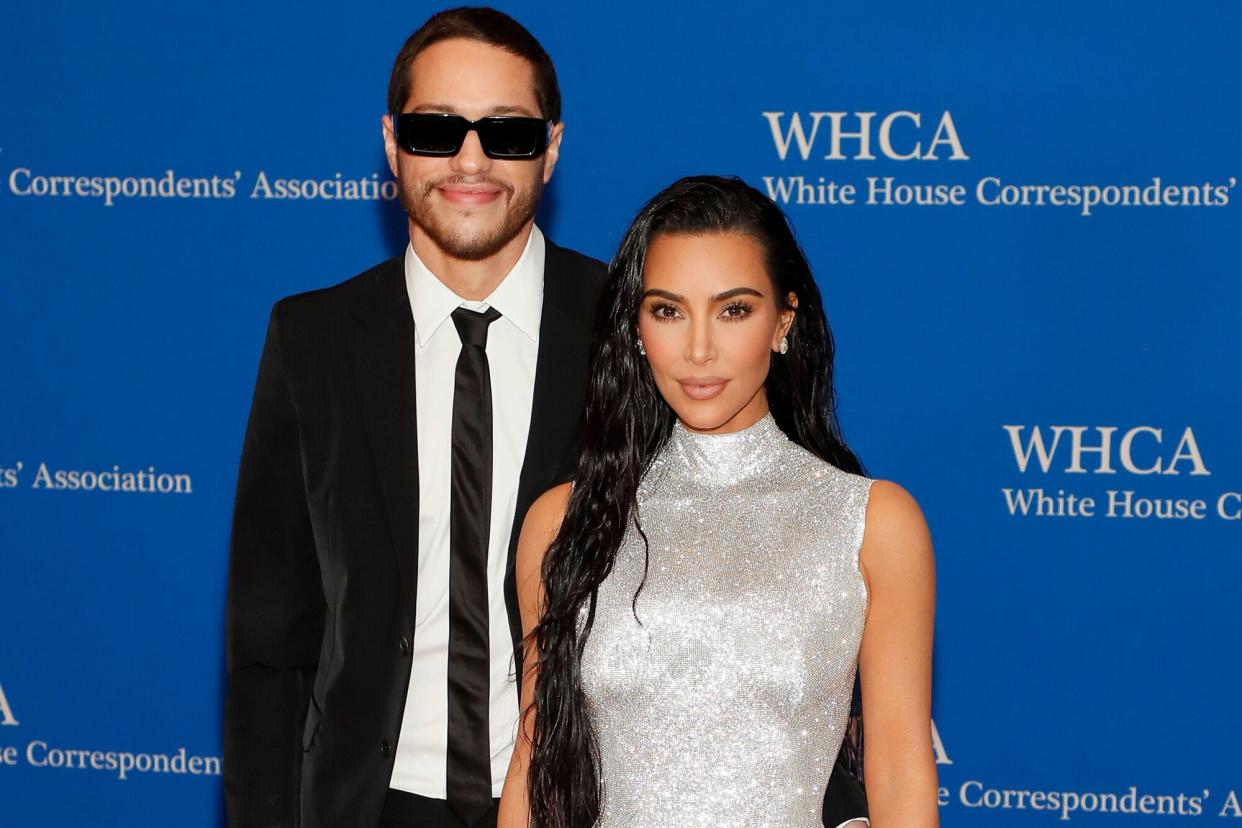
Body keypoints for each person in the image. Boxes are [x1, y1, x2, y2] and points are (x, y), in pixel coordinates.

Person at [223, 9, 604, 827]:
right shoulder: (313, 339)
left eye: (506, 133)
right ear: (393, 145)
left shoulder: (629, 329)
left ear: (553, 147)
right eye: (438, 129)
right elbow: (268, 637)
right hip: (369, 806)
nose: (470, 160)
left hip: (579, 804)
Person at [499, 176, 938, 827]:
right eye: (668, 311)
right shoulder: (564, 523)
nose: (698, 349)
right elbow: (535, 767)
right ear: (638, 329)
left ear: (783, 321)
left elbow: (900, 769)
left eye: (733, 309)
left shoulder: (872, 523)